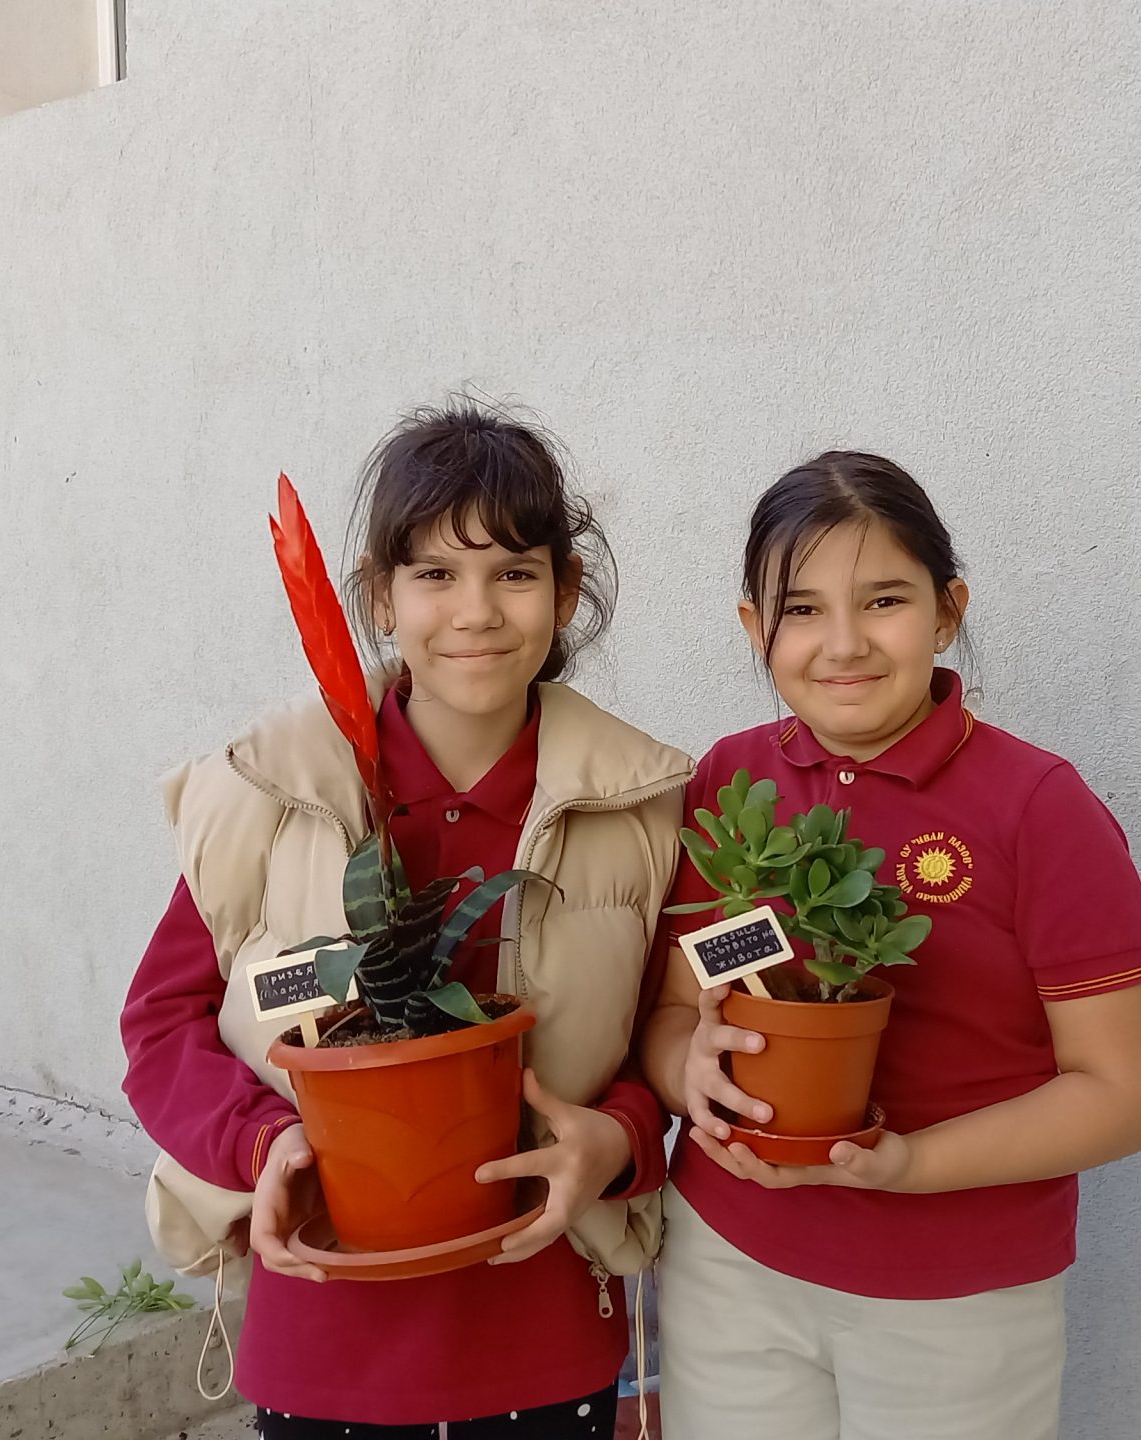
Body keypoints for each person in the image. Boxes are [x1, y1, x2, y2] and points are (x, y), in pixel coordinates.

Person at [122, 402, 691, 1438]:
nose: (475, 611)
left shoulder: (639, 804)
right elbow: (162, 1026)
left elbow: (668, 1033)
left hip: (542, 1328)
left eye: (514, 573)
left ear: (565, 592)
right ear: (379, 597)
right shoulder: (271, 789)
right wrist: (263, 1146)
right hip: (322, 1334)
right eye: (434, 573)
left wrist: (615, 1142)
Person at [640, 451, 1141, 1440]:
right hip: (730, 1262)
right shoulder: (729, 780)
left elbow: (1121, 1094)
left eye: (883, 599)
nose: (844, 643)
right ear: (755, 629)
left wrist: (910, 1164)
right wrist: (688, 1073)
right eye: (801, 610)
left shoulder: (1040, 808)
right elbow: (674, 1011)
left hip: (956, 1299)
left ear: (947, 611)